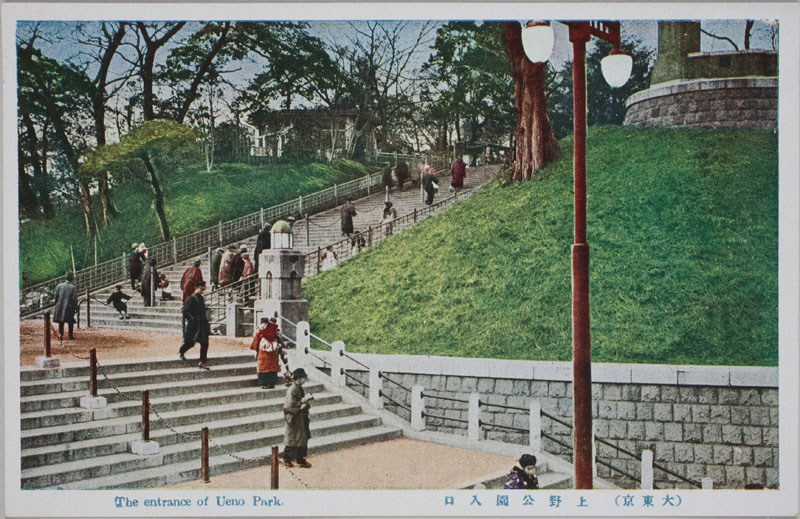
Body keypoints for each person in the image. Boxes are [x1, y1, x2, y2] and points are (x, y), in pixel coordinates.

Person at [283, 367, 313, 468]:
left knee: (302, 439)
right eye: (303, 378)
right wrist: (301, 404)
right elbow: (289, 405)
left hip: (300, 417)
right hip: (294, 417)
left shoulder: (299, 388)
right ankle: (286, 458)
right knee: (292, 439)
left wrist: (304, 402)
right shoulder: (292, 389)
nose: (304, 380)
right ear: (299, 378)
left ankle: (300, 459)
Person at [180, 281, 211, 370]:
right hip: (194, 325)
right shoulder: (191, 298)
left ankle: (202, 361)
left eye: (203, 289)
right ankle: (182, 351)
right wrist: (192, 319)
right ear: (196, 288)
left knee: (205, 343)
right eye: (201, 289)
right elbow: (185, 311)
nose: (202, 291)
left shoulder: (201, 298)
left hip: (202, 324)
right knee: (190, 342)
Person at [250, 317, 282, 388]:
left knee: (265, 367)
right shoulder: (274, 328)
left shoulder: (260, 330)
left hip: (265, 351)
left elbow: (256, 340)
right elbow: (278, 338)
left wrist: (256, 350)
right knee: (271, 367)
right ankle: (271, 383)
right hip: (271, 351)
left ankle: (265, 383)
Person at [53, 271, 78, 339]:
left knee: (61, 321)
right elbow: (74, 299)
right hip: (69, 306)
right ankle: (70, 335)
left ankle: (61, 334)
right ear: (72, 278)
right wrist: (76, 307)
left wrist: (56, 304)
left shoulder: (59, 285)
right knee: (70, 321)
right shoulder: (73, 287)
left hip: (60, 305)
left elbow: (56, 296)